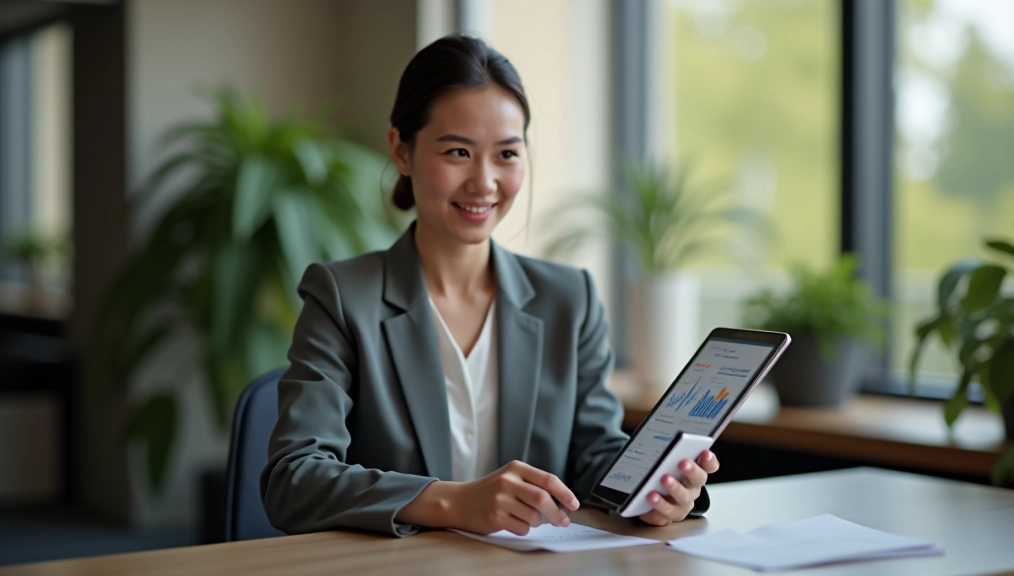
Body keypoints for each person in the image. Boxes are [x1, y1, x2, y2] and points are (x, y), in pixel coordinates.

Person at [259, 34, 719, 538]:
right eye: (458, 151)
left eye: (506, 154)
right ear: (401, 151)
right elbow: (294, 480)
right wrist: (454, 502)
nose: (484, 182)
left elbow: (595, 455)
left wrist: (656, 490)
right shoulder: (343, 298)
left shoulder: (570, 299)